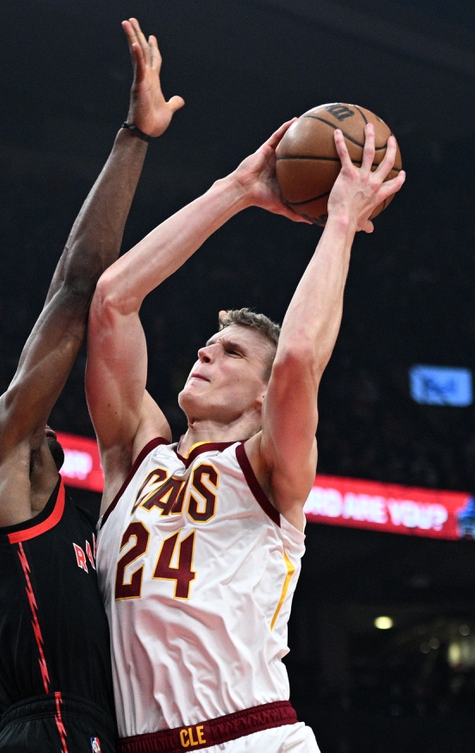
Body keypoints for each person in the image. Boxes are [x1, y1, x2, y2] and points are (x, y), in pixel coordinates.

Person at [86, 122, 404, 752]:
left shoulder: (269, 469)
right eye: (208, 344)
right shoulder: (134, 453)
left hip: (250, 737)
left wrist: (340, 221)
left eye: (231, 352)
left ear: (262, 397)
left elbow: (297, 361)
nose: (205, 352)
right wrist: (236, 188)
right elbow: (112, 300)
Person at [0, 18, 183, 753]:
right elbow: (75, 287)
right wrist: (134, 139)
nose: (15, 416)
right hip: (51, 732)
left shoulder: (65, 523)